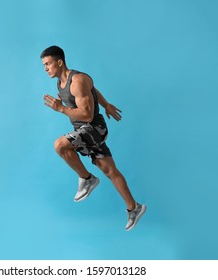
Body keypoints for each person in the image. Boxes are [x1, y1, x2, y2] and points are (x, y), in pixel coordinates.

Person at [41, 46, 146, 231]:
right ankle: (134, 208)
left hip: (94, 128)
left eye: (48, 64)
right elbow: (93, 90)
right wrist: (106, 104)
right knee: (110, 170)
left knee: (60, 145)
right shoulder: (61, 83)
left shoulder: (77, 79)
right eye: (44, 65)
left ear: (59, 62)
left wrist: (61, 109)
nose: (45, 68)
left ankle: (87, 179)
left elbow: (88, 116)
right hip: (84, 130)